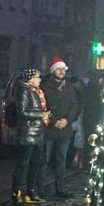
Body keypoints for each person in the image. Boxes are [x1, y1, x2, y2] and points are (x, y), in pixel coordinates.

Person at [38, 58, 82, 198]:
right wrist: (53, 121)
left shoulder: (69, 88)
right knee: (44, 160)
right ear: (53, 71)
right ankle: (39, 190)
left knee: (61, 160)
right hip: (49, 130)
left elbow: (75, 105)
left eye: (63, 69)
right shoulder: (44, 88)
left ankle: (60, 188)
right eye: (59, 69)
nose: (62, 72)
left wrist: (67, 120)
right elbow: (43, 107)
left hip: (64, 130)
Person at [10, 67, 49, 206]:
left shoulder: (37, 92)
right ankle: (16, 194)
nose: (40, 79)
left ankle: (31, 192)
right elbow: (23, 112)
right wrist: (41, 115)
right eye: (37, 77)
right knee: (22, 164)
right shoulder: (24, 91)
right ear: (30, 79)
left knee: (35, 164)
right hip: (27, 134)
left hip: (38, 134)